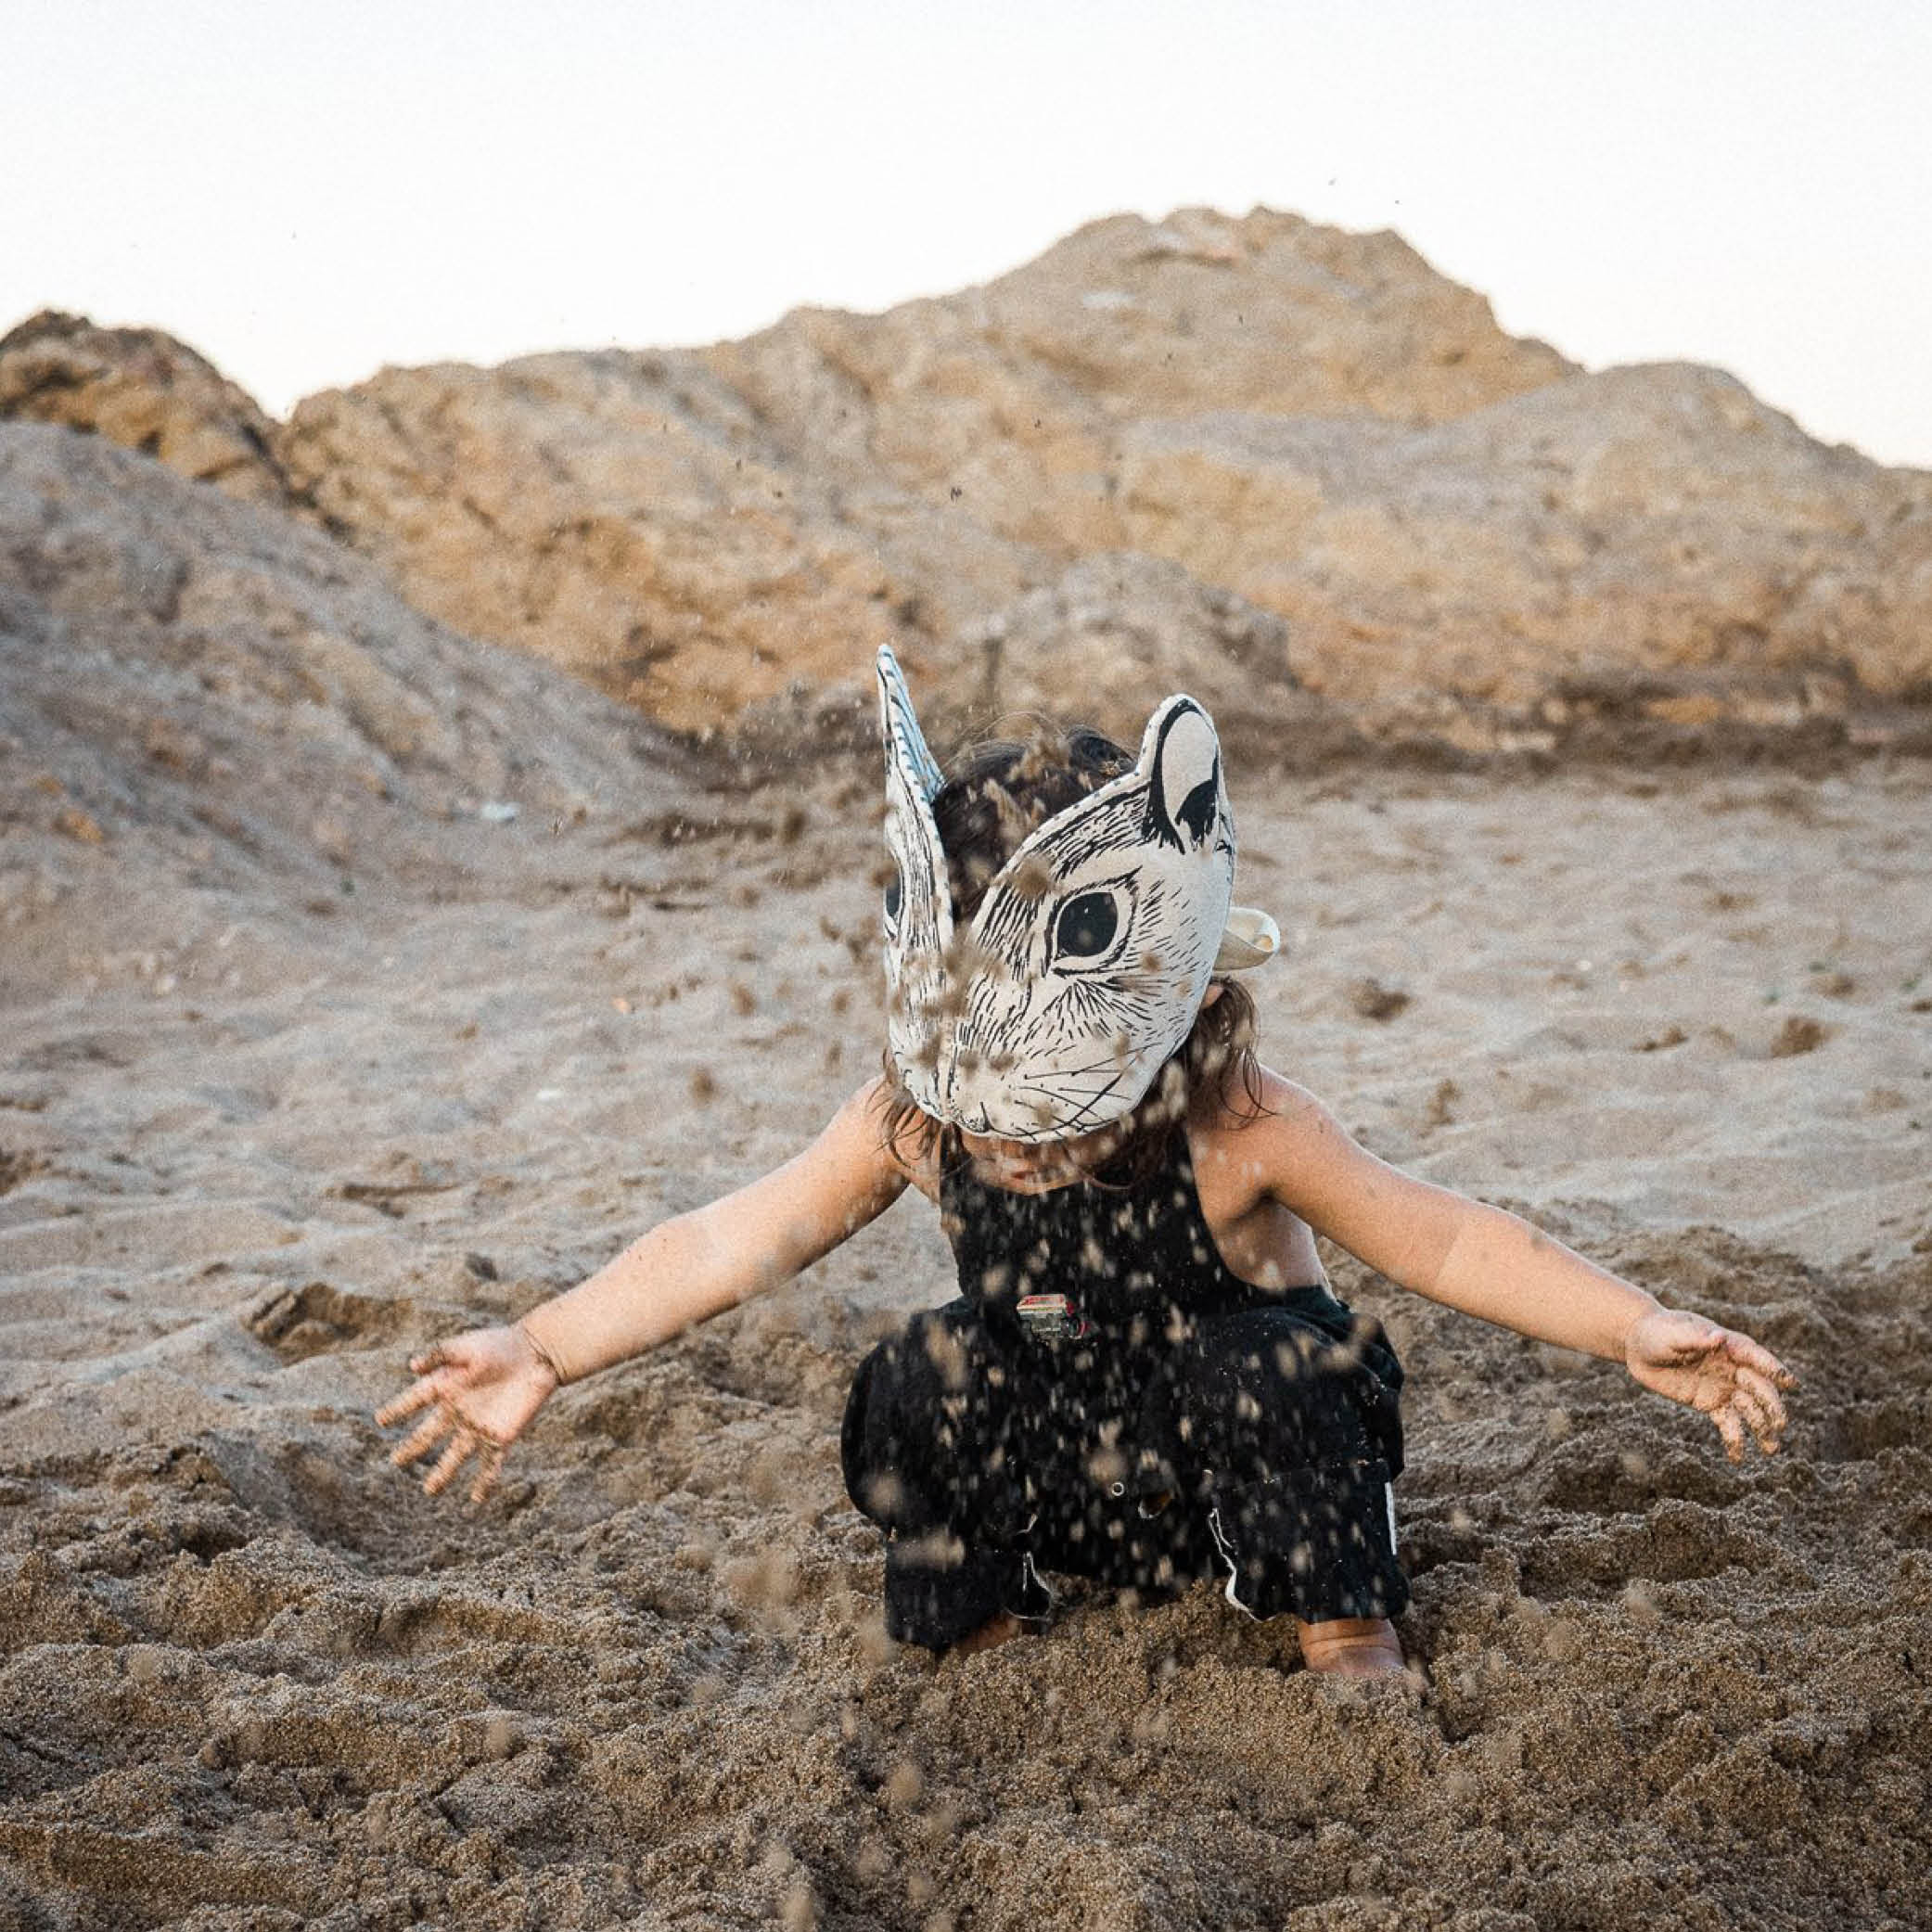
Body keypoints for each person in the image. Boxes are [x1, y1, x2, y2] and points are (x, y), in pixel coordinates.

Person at [377, 648, 1797, 1678]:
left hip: (1254, 1473)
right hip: (1083, 1483)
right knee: (912, 1373)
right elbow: (729, 1240)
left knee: (1280, 1364)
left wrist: (1631, 1326)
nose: (1007, 1134)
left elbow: (1443, 1241)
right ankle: (990, 1619)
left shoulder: (1238, 1126)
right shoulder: (914, 1124)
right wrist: (545, 1346)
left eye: (1040, 1106)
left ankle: (1346, 1628)